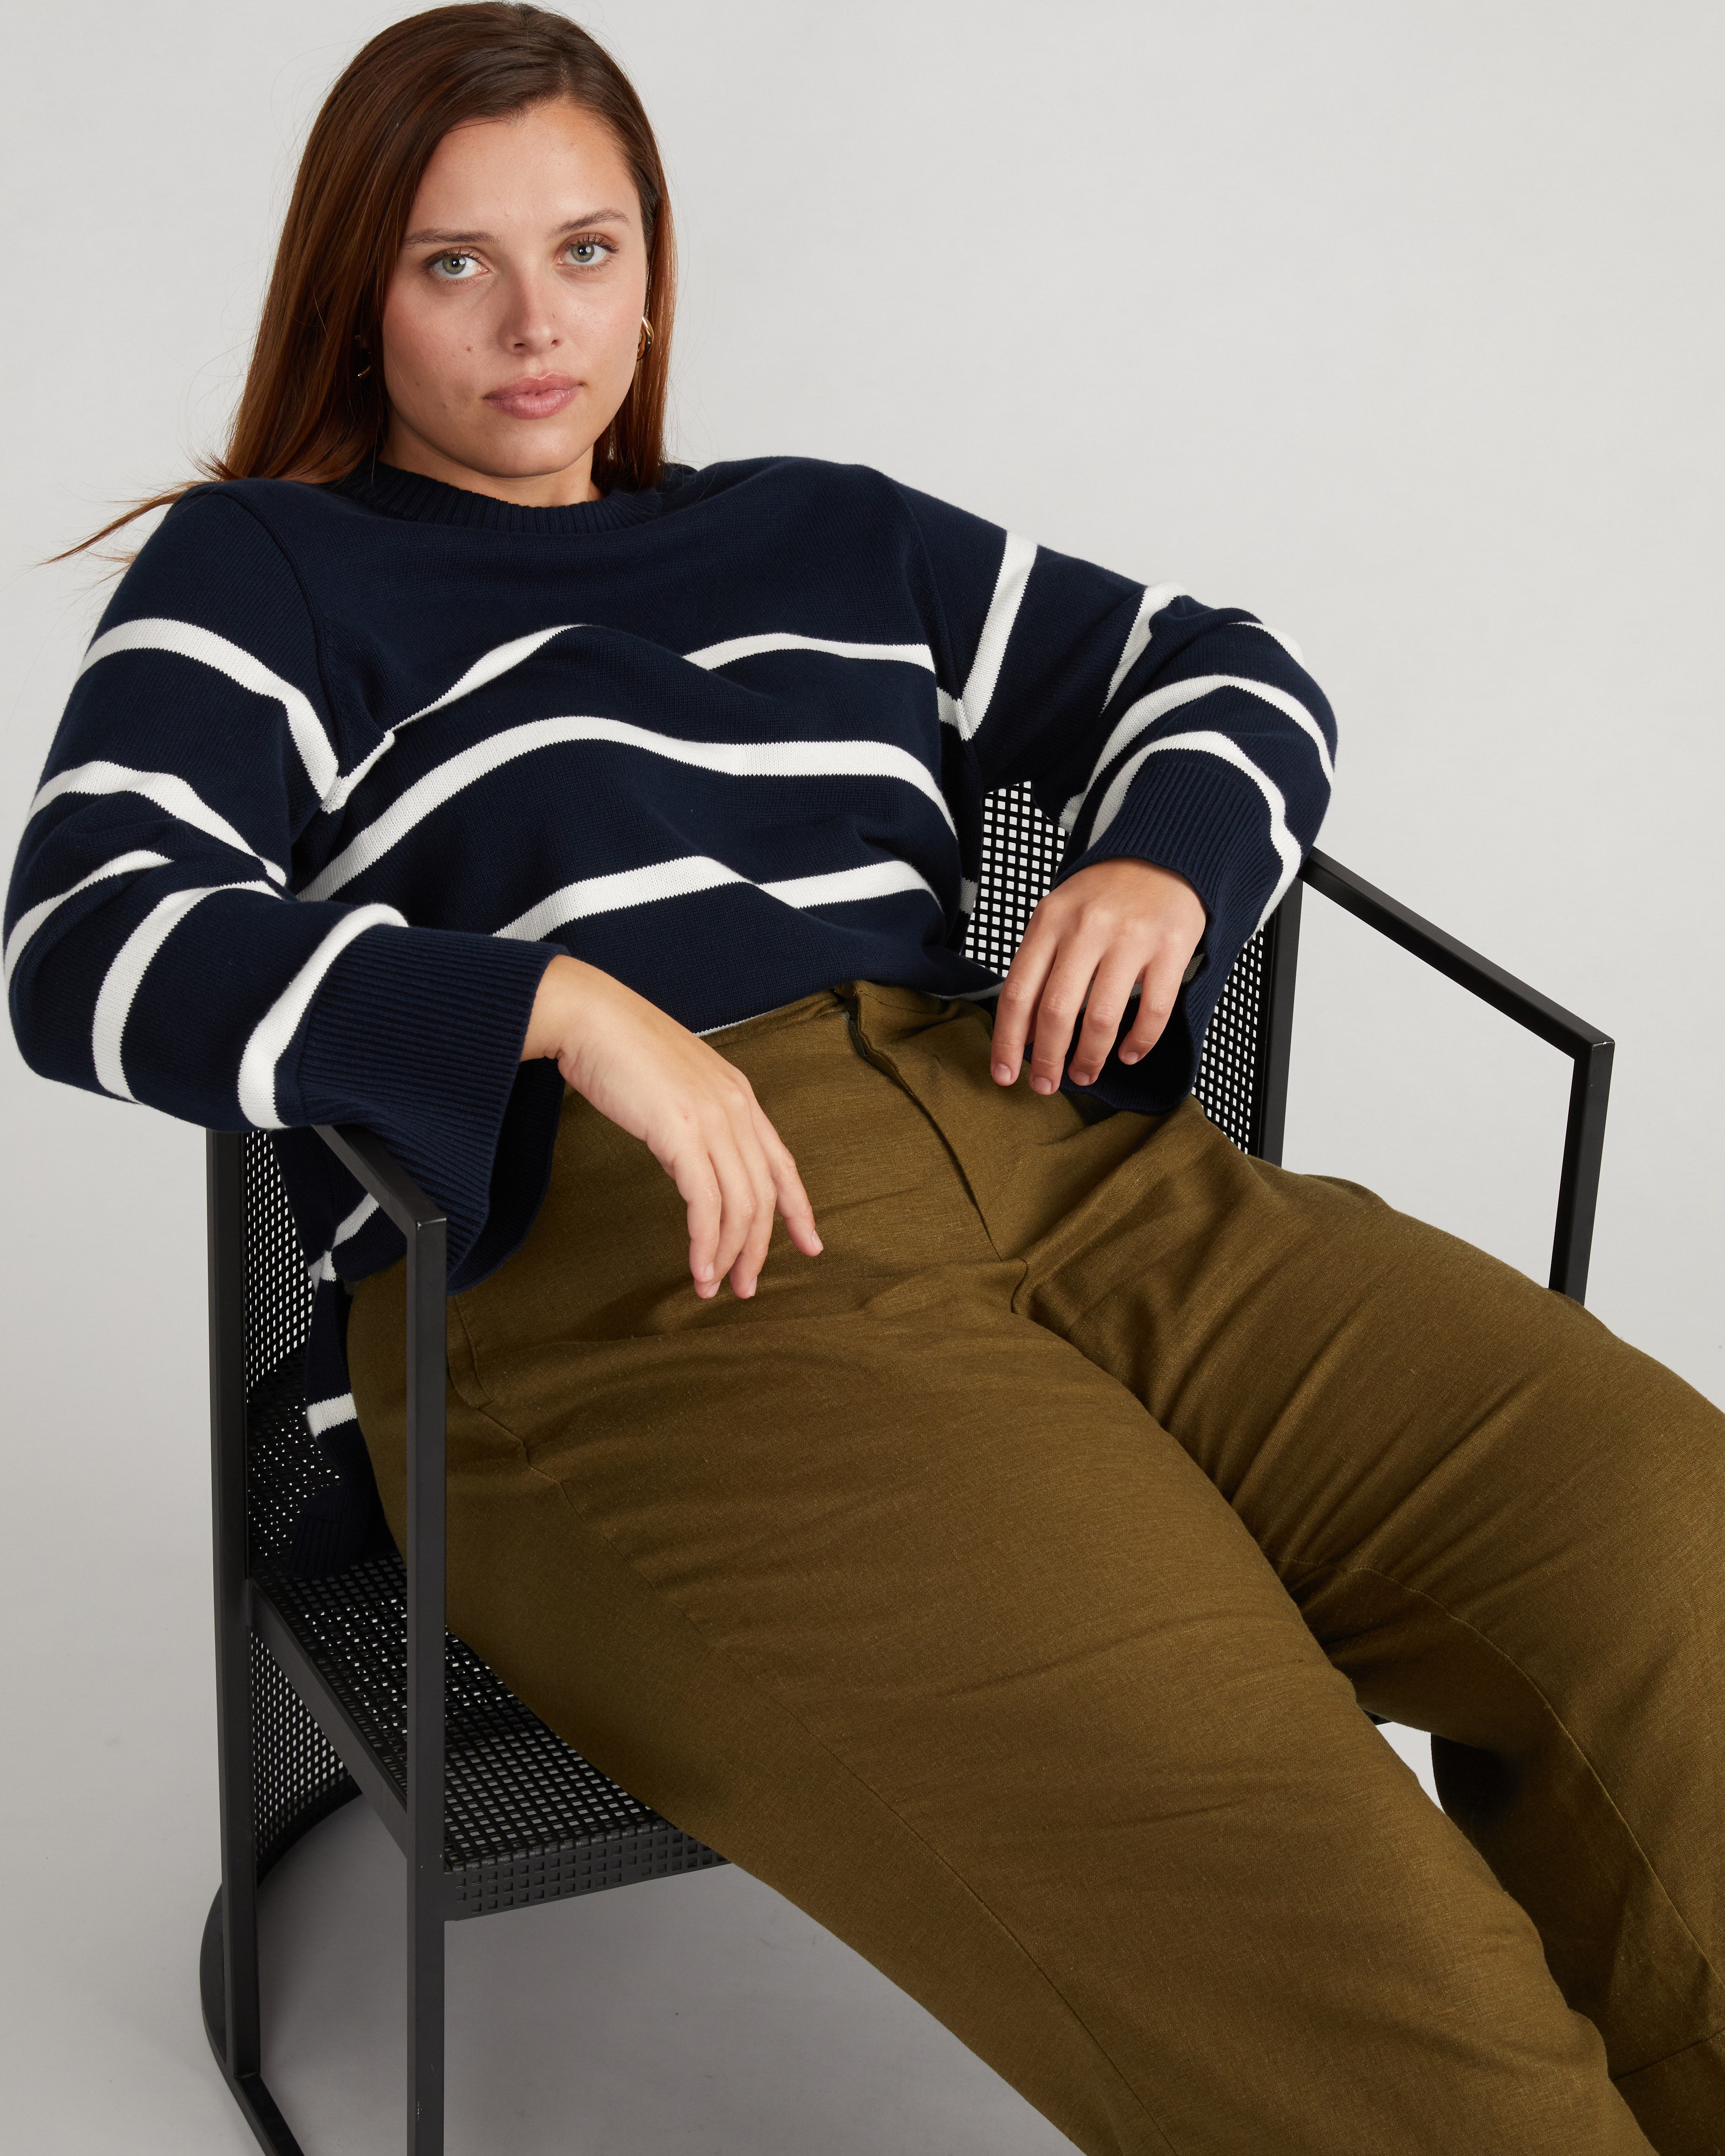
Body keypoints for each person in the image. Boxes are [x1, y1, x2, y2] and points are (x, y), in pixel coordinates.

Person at [6, 6, 1720, 2151]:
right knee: (1283, 1861)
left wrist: (1161, 858)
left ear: (653, 267)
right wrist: (551, 1005)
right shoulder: (272, 569)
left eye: (587, 248)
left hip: (1076, 1170)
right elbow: (83, 942)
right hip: (649, 1296)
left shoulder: (826, 532)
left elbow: (1218, 667)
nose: (538, 325)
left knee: (1658, 1534)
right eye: (455, 263)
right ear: (358, 287)